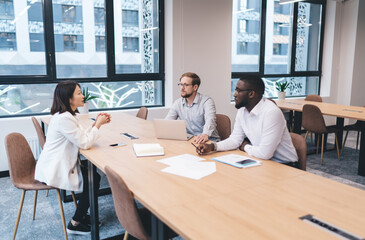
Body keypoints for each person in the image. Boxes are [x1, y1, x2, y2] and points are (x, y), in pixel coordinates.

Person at [34, 80, 111, 235]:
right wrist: (98, 125)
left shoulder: (67, 116)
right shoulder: (64, 119)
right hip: (56, 168)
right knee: (93, 178)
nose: (83, 96)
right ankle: (75, 223)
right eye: (79, 93)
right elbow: (84, 143)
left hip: (58, 162)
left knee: (93, 177)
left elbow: (81, 136)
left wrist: (96, 123)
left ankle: (82, 215)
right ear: (69, 99)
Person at [197, 76, 298, 166]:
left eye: (238, 91)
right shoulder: (242, 110)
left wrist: (244, 146)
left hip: (284, 165)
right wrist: (212, 146)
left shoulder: (271, 113)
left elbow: (265, 153)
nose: (234, 94)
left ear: (251, 94)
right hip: (261, 161)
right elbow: (235, 140)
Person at [165, 72, 220, 144]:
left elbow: (210, 120)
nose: (182, 88)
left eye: (186, 85)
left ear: (195, 87)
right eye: (181, 84)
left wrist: (205, 134)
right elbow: (167, 122)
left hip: (209, 141)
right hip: (191, 141)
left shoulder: (207, 101)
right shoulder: (178, 103)